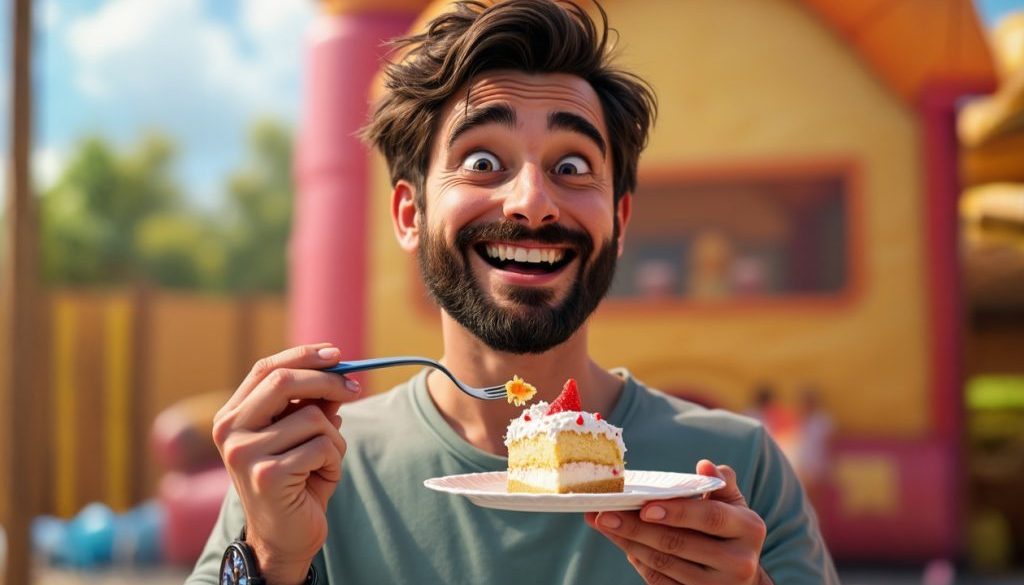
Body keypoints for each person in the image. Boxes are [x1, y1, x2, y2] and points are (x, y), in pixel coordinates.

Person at [187, 1, 838, 584]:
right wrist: (271, 560)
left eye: (572, 165)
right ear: (410, 215)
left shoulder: (737, 467)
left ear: (619, 220)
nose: (531, 201)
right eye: (482, 162)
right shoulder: (306, 469)